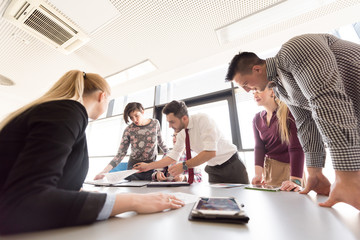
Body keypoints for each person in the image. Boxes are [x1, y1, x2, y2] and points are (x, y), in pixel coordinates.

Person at [0, 70, 184, 235]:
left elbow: (162, 145)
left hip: (151, 169)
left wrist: (170, 161)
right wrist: (133, 201)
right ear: (103, 96)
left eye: (136, 115)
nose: (133, 120)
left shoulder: (60, 112)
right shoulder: (67, 112)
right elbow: (28, 198)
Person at [225, 33, 360, 210]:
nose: (247, 90)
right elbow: (305, 123)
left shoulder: (295, 49)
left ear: (257, 69)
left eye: (245, 83)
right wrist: (315, 172)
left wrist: (346, 177)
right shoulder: (280, 89)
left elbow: (326, 100)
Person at [134, 100, 249, 184]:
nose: (169, 126)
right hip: (213, 169)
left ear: (184, 118)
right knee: (216, 205)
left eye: (172, 122)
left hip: (232, 165)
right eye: (168, 122)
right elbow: (173, 156)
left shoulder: (203, 120)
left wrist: (184, 166)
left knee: (242, 203)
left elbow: (210, 153)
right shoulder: (181, 133)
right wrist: (148, 166)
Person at [94, 102, 169, 181]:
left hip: (150, 166)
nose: (134, 120)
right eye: (131, 117)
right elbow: (120, 154)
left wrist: (171, 156)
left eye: (136, 115)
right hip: (134, 168)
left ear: (142, 111)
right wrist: (104, 172)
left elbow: (161, 143)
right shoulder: (128, 130)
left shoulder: (155, 123)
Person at [252, 87, 305, 191]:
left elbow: (296, 148)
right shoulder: (257, 118)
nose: (255, 95)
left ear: (272, 91)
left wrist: (295, 181)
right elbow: (259, 147)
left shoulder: (289, 113)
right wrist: (258, 174)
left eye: (258, 91)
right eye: (253, 93)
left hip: (290, 170)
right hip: (269, 169)